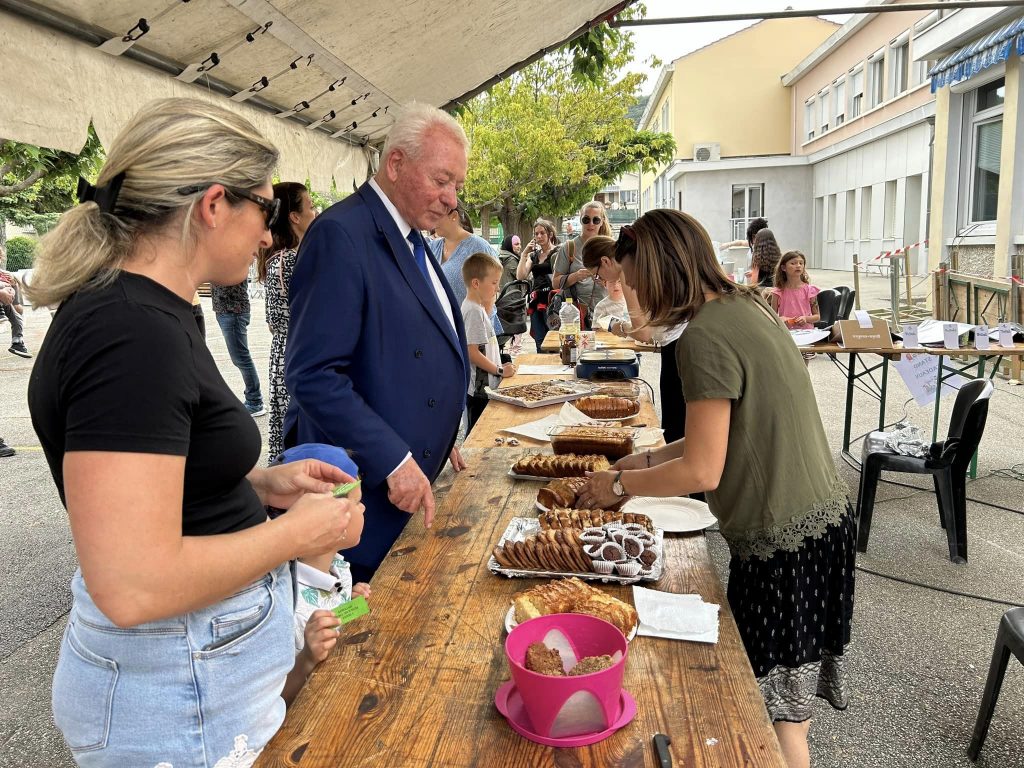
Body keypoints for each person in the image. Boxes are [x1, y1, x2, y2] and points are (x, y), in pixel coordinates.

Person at [25, 97, 363, 767]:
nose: (268, 236)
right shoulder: (130, 331)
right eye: (264, 210)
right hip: (177, 696)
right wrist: (294, 536)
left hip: (193, 682)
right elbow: (132, 584)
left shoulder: (154, 310)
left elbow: (155, 478)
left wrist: (260, 481)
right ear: (213, 205)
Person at [577, 210, 854, 768]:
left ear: (658, 272)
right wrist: (647, 457)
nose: (631, 293)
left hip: (785, 549)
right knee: (784, 714)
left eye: (632, 281)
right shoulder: (745, 304)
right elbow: (725, 433)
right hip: (823, 529)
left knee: (772, 725)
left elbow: (704, 470)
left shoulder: (702, 336)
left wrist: (619, 484)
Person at [284, 101, 470, 583]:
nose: (452, 199)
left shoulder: (409, 233)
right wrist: (396, 458)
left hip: (405, 482)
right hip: (366, 493)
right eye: (442, 180)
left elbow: (407, 344)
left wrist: (438, 427)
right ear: (395, 164)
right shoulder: (340, 235)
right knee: (354, 631)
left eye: (457, 186)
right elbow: (314, 375)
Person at [268, 443, 370, 703]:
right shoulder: (284, 606)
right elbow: (273, 701)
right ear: (328, 520)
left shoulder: (338, 565)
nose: (363, 509)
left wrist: (354, 607)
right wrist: (306, 660)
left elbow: (333, 620)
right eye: (357, 503)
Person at [257, 181, 317, 461]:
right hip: (298, 355)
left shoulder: (279, 259)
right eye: (311, 206)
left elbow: (272, 321)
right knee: (297, 438)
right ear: (294, 216)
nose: (315, 212)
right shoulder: (291, 261)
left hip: (284, 353)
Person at [461, 251, 517, 431]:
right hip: (479, 392)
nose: (497, 288)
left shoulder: (477, 308)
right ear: (476, 283)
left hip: (484, 389)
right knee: (477, 433)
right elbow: (472, 352)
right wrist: (500, 370)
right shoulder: (473, 312)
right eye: (494, 283)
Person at [552, 201, 611, 329]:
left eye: (595, 220)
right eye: (586, 219)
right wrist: (576, 276)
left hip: (606, 315)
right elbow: (555, 283)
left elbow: (622, 283)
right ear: (580, 220)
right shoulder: (569, 247)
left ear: (602, 221)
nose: (591, 224)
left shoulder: (610, 247)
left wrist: (606, 281)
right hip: (576, 314)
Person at [211, 278, 266, 416]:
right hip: (227, 310)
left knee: (241, 359)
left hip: (233, 311)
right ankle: (254, 399)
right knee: (240, 358)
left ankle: (255, 401)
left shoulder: (231, 260)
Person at [517, 218, 558, 351]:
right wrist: (524, 255)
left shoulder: (557, 252)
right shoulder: (534, 256)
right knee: (539, 339)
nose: (539, 236)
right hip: (536, 301)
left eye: (542, 233)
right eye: (536, 234)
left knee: (554, 338)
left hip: (552, 300)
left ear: (550, 234)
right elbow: (521, 276)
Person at [0, 266, 32, 358]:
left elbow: (15, 284)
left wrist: (12, 285)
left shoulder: (4, 273)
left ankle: (17, 343)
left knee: (18, 319)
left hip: (5, 302)